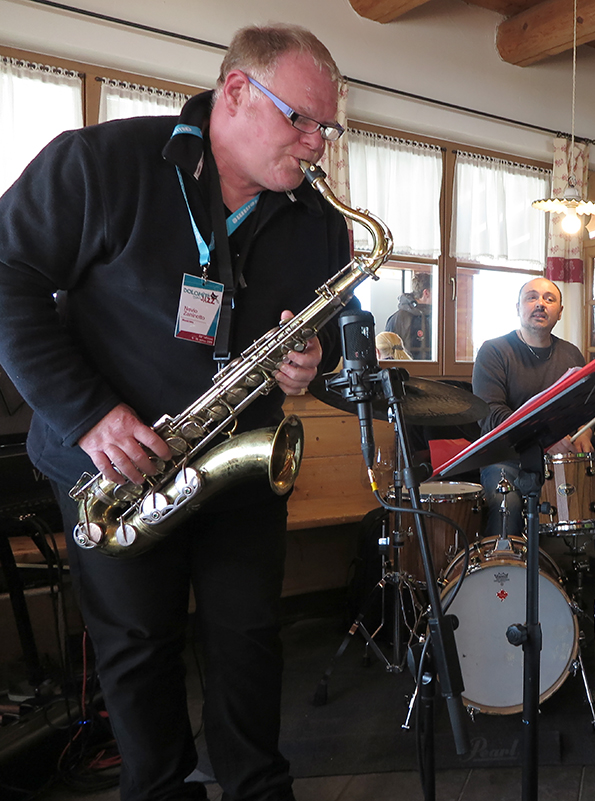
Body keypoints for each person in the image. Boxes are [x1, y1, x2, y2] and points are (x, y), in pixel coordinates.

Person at [0, 25, 350, 801]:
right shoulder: (100, 162)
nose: (316, 143)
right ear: (234, 92)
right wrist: (90, 415)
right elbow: (6, 272)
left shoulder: (320, 221)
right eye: (301, 118)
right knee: (137, 649)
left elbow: (333, 343)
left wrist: (314, 359)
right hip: (112, 466)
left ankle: (258, 787)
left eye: (327, 127)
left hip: (238, 462)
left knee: (249, 641)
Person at [472, 277, 590, 537]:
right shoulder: (494, 351)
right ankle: (501, 570)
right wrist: (547, 438)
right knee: (508, 504)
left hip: (559, 459)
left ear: (559, 313)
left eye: (549, 299)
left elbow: (584, 407)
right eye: (532, 297)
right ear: (518, 308)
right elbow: (492, 415)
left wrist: (585, 431)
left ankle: (594, 575)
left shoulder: (571, 354)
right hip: (506, 457)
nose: (540, 304)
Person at [385, 272, 432, 360]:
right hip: (407, 371)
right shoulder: (399, 319)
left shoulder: (435, 316)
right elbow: (388, 353)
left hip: (432, 371)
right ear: (426, 293)